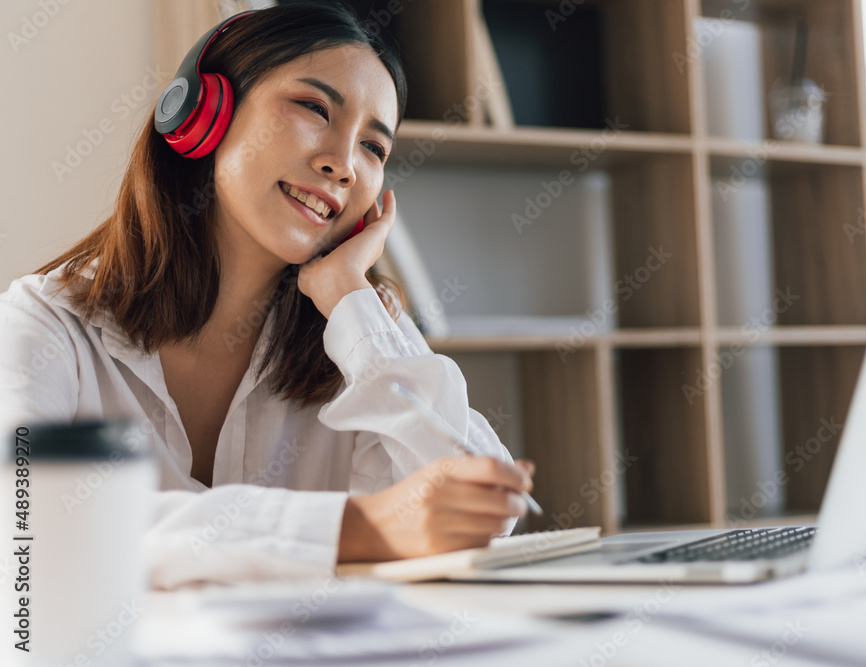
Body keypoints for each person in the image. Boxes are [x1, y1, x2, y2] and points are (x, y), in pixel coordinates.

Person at [0, 2, 534, 591]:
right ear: (203, 115)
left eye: (374, 149)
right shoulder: (46, 324)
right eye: (313, 107)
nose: (344, 164)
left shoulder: (357, 327)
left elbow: (486, 511)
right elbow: (27, 527)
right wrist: (358, 528)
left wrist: (351, 300)